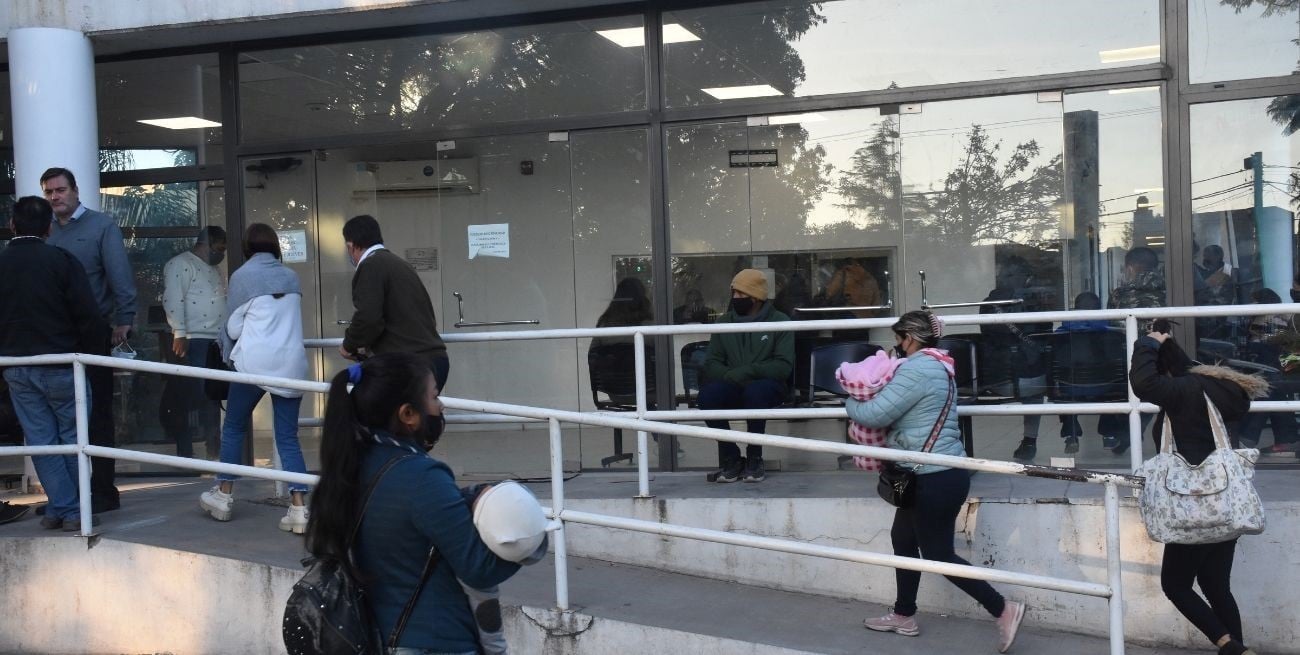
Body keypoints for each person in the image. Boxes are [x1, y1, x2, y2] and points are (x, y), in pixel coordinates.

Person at [306, 352, 523, 654]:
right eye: (434, 397)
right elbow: (479, 568)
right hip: (437, 642)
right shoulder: (422, 477)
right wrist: (530, 539)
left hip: (377, 638)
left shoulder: (352, 466)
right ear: (408, 414)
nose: (441, 406)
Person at [846, 311, 1026, 653]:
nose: (897, 346)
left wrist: (852, 396)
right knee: (903, 539)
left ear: (911, 338)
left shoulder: (920, 369)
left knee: (938, 554)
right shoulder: (939, 365)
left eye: (899, 339)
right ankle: (904, 615)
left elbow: (874, 414)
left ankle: (1003, 609)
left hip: (934, 477)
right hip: (924, 475)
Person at [1129, 323, 1266, 655]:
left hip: (1193, 502)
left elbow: (1143, 383)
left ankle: (1231, 647)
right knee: (1216, 586)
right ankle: (1239, 650)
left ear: (1162, 368)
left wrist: (1147, 343)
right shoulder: (1215, 387)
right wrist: (1166, 347)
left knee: (1175, 585)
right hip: (1226, 502)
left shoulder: (1184, 391)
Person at [0, 196, 107, 531]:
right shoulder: (62, 260)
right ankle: (76, 512)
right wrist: (90, 356)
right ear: (48, 227)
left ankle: (63, 508)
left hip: (17, 366)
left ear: (12, 225)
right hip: (63, 364)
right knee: (74, 440)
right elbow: (88, 315)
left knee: (42, 443)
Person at [200, 224, 310, 532]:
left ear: (247, 247)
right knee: (287, 437)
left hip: (253, 365)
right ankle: (299, 508)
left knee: (234, 428)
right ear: (275, 246)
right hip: (291, 366)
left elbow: (233, 329)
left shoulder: (243, 277)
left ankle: (223, 495)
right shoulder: (291, 277)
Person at [42, 167, 137, 513]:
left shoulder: (101, 226)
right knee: (60, 418)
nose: (55, 197)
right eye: (49, 192)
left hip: (92, 333)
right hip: (53, 338)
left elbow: (119, 274)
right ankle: (68, 497)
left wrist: (124, 320)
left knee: (97, 413)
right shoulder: (45, 231)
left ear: (75, 190)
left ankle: (103, 491)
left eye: (60, 190)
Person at [699, 269, 794, 483]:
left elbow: (783, 366)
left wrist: (746, 371)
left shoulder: (780, 321)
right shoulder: (724, 323)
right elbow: (712, 362)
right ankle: (731, 457)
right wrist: (730, 375)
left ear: (757, 297)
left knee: (756, 392)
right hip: (733, 383)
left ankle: (754, 457)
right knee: (707, 397)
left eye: (742, 294)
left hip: (768, 386)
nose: (736, 298)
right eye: (734, 293)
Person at [340, 215, 449, 390]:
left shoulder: (370, 266)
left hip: (407, 366)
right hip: (433, 359)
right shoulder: (400, 264)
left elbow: (368, 318)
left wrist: (349, 344)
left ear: (351, 246)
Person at [161, 226, 228, 458]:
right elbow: (173, 298)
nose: (221, 253)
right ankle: (187, 451)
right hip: (193, 339)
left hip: (215, 340)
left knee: (212, 395)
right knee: (192, 396)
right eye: (219, 248)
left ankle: (213, 448)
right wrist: (179, 332)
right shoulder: (181, 264)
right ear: (205, 244)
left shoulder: (214, 268)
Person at [978, 257, 1050, 462]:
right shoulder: (1035, 302)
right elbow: (1046, 334)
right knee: (1036, 392)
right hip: (1031, 379)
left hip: (995, 379)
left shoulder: (987, 304)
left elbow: (986, 335)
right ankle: (1030, 440)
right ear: (1024, 278)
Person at [1107, 246, 1165, 454]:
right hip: (1163, 355)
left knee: (1126, 395)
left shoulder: (1119, 294)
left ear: (1131, 267)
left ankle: (1129, 432)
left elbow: (1110, 325)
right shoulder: (1171, 289)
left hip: (1127, 356)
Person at [1054, 292, 1125, 452]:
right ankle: (1109, 432)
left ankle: (1071, 434)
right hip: (1105, 387)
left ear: (1075, 309)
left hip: (1070, 387)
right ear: (1099, 310)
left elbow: (1056, 364)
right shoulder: (1113, 333)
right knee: (1114, 387)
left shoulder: (1061, 334)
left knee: (1067, 396)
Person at [1237, 288, 1298, 453]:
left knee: (1268, 386)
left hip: (1289, 371)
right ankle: (1287, 438)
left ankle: (1246, 437)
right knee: (1272, 387)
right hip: (1280, 370)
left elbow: (1288, 355)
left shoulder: (1277, 319)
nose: (1250, 305)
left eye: (1254, 301)